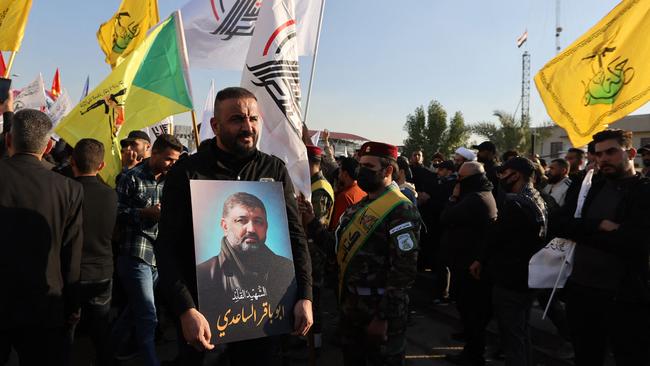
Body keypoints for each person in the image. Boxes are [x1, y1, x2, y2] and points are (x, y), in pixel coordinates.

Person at [154, 87, 313, 365]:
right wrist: (185, 309)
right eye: (237, 119)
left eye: (253, 118)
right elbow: (167, 248)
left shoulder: (274, 170)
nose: (247, 126)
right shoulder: (188, 172)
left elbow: (296, 236)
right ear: (215, 125)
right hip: (204, 320)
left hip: (264, 320)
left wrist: (305, 297)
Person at [300, 141, 420, 366]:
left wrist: (383, 317)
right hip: (352, 307)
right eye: (360, 165)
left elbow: (403, 271)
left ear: (388, 171)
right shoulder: (359, 207)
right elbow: (336, 247)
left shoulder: (401, 210)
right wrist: (312, 223)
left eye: (368, 166)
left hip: (378, 310)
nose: (361, 171)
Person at [553, 129, 650, 366]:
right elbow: (559, 224)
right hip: (581, 292)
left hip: (624, 298)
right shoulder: (588, 186)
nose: (603, 158)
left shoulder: (644, 191)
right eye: (598, 154)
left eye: (611, 152)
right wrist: (600, 225)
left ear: (631, 153)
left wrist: (584, 231)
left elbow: (634, 242)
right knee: (586, 356)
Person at [0, 109, 84, 365]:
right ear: (48, 145)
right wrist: (72, 305)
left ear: (8, 140)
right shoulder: (68, 188)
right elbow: (71, 254)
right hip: (44, 302)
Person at [112, 133, 183, 366]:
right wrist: (144, 213)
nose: (173, 164)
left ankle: (109, 349)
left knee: (135, 309)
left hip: (159, 256)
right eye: (169, 159)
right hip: (136, 253)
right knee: (147, 314)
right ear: (154, 153)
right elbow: (115, 213)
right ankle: (151, 361)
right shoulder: (131, 178)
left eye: (176, 160)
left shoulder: (171, 182)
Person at [195, 193, 297, 340]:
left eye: (258, 221)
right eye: (241, 220)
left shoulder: (286, 268)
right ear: (225, 226)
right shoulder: (204, 274)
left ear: (266, 227)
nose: (251, 229)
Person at [479, 157, 547, 366]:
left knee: (512, 335)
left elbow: (499, 237)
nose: (500, 177)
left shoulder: (516, 204)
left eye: (503, 173)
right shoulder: (536, 198)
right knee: (521, 331)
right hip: (528, 276)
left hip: (512, 279)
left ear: (515, 174)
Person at [65, 138, 118, 366]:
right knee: (100, 331)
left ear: (71, 161)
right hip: (102, 273)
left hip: (71, 274)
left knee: (67, 332)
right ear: (102, 165)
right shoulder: (111, 194)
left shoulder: (66, 191)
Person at [440, 162, 497, 366]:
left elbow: (446, 217)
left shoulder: (474, 199)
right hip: (469, 263)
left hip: (469, 267)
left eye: (461, 178)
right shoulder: (482, 194)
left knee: (472, 314)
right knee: (472, 315)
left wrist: (453, 197)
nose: (457, 182)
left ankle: (473, 356)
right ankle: (472, 352)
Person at [306, 144, 335, 349]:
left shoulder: (320, 189)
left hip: (315, 251)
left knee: (314, 296)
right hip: (310, 249)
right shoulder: (311, 183)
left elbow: (317, 224)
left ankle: (314, 342)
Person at [329, 157, 366, 230]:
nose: (338, 175)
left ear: (345, 174)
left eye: (340, 171)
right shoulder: (363, 191)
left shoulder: (345, 197)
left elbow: (335, 227)